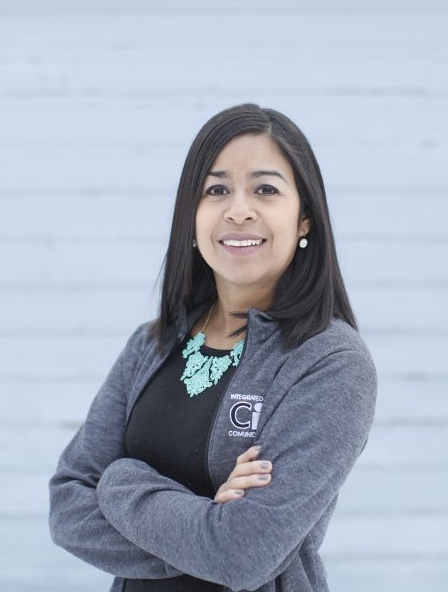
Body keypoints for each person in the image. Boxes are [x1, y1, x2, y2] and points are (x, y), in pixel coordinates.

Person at [48, 103, 378, 592]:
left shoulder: (329, 362)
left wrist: (119, 483)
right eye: (216, 190)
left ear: (305, 218)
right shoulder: (151, 344)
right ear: (192, 215)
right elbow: (67, 508)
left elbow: (243, 554)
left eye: (265, 190)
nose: (238, 210)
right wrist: (205, 523)